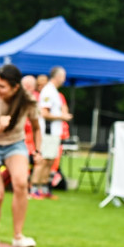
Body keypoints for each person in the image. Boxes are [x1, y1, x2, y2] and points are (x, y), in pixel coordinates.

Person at [0, 63, 41, 247]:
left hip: (15, 144)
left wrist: (38, 150)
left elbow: (37, 128)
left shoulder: (28, 100)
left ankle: (18, 236)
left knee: (21, 183)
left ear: (15, 87)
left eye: (2, 86)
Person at [31, 66, 73, 199]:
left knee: (50, 161)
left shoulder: (54, 91)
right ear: (58, 76)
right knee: (43, 161)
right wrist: (62, 117)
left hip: (55, 132)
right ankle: (33, 189)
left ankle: (44, 189)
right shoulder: (48, 91)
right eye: (63, 76)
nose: (64, 79)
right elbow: (44, 113)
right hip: (47, 132)